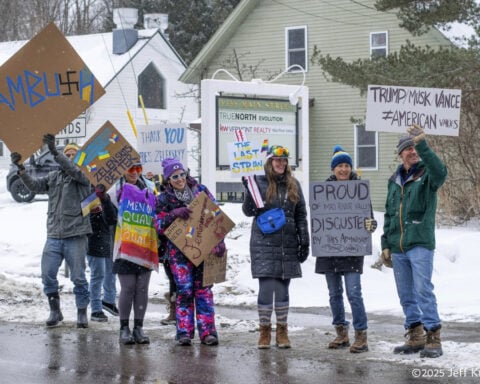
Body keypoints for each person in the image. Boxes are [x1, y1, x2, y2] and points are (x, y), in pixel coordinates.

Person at [10, 135, 91, 328]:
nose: (69, 158)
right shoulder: (54, 177)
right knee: (47, 274)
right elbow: (35, 186)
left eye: (73, 155)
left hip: (75, 235)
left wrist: (55, 152)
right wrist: (21, 169)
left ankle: (81, 312)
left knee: (78, 277)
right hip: (54, 234)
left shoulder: (83, 177)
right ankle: (55, 310)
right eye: (67, 154)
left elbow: (73, 170)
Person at [381, 124, 447, 358]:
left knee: (422, 289)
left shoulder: (427, 175)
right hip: (398, 247)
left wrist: (422, 143)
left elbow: (441, 172)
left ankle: (432, 335)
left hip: (419, 243)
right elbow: (389, 215)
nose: (412, 151)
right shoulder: (393, 181)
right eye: (408, 148)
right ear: (400, 154)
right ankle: (415, 334)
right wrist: (385, 245)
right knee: (406, 293)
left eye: (414, 148)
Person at [242, 145, 310, 349]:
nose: (281, 164)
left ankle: (282, 331)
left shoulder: (294, 184)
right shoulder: (258, 183)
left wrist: (304, 240)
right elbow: (248, 211)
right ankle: (264, 332)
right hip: (264, 243)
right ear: (270, 162)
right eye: (277, 160)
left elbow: (300, 215)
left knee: (282, 288)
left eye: (284, 160)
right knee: (266, 287)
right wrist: (248, 191)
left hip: (287, 243)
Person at [155, 157, 224, 346]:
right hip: (179, 253)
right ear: (168, 179)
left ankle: (208, 332)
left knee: (204, 291)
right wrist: (172, 215)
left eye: (182, 174)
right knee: (184, 291)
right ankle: (184, 332)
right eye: (174, 176)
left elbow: (217, 215)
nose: (179, 179)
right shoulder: (163, 199)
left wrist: (219, 240)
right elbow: (157, 225)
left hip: (204, 248)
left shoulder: (199, 191)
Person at [315, 145, 377, 353]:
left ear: (351, 168)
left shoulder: (360, 191)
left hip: (351, 248)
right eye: (339, 166)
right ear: (333, 169)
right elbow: (319, 221)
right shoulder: (322, 190)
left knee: (354, 293)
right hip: (329, 251)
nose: (343, 169)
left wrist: (371, 225)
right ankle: (341, 333)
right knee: (334, 294)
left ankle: (361, 335)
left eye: (346, 165)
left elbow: (369, 220)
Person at [113, 163, 157, 345]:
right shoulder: (116, 189)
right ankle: (124, 328)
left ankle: (138, 327)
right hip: (125, 245)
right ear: (122, 170)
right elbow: (109, 217)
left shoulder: (150, 188)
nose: (135, 173)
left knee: (142, 288)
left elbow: (156, 213)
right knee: (128, 287)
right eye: (131, 169)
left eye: (138, 169)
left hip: (145, 244)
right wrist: (102, 198)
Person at [86, 184, 118, 322]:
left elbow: (112, 218)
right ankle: (96, 309)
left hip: (108, 240)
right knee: (97, 275)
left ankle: (109, 301)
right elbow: (83, 219)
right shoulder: (85, 194)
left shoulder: (106, 194)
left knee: (111, 272)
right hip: (93, 241)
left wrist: (104, 199)